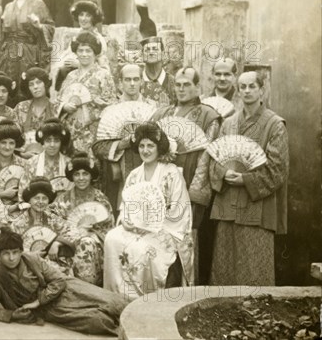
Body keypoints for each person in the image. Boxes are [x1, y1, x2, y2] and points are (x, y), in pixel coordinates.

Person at [189, 71, 289, 286]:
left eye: (252, 86)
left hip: (257, 208)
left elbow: (278, 169)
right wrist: (223, 173)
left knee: (254, 271)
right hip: (228, 207)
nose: (246, 91)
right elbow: (215, 159)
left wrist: (246, 179)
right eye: (242, 87)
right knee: (224, 269)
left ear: (262, 90)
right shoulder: (229, 123)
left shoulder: (275, 125)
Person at [0, 227, 129, 336]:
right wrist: (12, 315)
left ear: (20, 251)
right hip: (51, 309)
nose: (11, 258)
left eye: (15, 252)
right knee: (98, 321)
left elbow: (58, 280)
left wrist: (37, 301)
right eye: (6, 254)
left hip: (66, 288)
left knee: (113, 302)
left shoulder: (32, 259)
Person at [103, 123, 194, 299]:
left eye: (150, 146)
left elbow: (180, 209)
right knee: (111, 238)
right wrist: (125, 220)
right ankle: (116, 296)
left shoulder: (172, 173)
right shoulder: (134, 175)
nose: (145, 150)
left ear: (159, 148)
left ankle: (145, 298)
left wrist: (153, 225)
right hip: (136, 228)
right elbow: (126, 206)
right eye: (142, 146)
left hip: (164, 229)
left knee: (143, 249)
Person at [150, 67, 220, 283]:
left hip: (189, 183)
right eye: (178, 84)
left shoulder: (209, 116)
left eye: (187, 84)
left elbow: (208, 156)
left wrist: (194, 193)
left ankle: (185, 288)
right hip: (161, 184)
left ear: (198, 87)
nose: (181, 89)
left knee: (185, 238)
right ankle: (158, 286)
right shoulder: (162, 113)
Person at [0, 0, 55, 104]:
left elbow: (50, 27)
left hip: (29, 55)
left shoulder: (38, 4)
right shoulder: (7, 7)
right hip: (9, 56)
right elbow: (1, 35)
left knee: (27, 86)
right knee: (8, 87)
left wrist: (39, 25)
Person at [92, 64, 150, 214]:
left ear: (141, 82)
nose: (132, 83)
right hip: (116, 177)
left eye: (136, 79)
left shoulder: (153, 109)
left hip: (148, 172)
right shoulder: (109, 111)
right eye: (127, 79)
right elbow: (98, 147)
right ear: (120, 83)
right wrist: (121, 144)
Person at [53, 153, 114, 285]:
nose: (81, 178)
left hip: (94, 245)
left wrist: (89, 233)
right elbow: (56, 225)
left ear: (91, 176)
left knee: (86, 243)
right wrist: (64, 239)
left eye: (85, 174)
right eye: (76, 174)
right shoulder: (63, 199)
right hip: (66, 245)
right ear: (72, 177)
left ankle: (87, 289)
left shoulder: (100, 199)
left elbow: (108, 229)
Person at [58, 31, 116, 154]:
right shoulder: (70, 76)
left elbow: (111, 104)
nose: (84, 54)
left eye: (88, 51)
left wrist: (88, 105)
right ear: (76, 53)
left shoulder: (103, 75)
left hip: (92, 132)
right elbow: (59, 100)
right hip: (70, 131)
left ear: (95, 53)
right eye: (81, 50)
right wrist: (64, 106)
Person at [9, 177, 78, 276]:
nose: (40, 202)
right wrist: (29, 255)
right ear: (29, 200)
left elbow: (73, 232)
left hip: (54, 264)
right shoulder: (18, 223)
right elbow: (11, 249)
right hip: (28, 266)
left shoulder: (52, 218)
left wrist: (57, 242)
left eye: (44, 198)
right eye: (36, 198)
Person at [53, 0, 109, 92]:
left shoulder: (99, 39)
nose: (83, 19)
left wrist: (79, 64)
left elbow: (103, 68)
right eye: (81, 15)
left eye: (88, 15)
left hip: (91, 82)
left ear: (94, 18)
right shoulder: (76, 37)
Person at [135, 0, 175, 106]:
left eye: (155, 49)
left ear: (162, 54)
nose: (151, 52)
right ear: (142, 55)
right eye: (147, 49)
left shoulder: (174, 83)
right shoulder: (135, 81)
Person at [17, 118, 71, 201]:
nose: (52, 145)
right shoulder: (31, 163)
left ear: (61, 142)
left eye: (56, 140)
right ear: (43, 142)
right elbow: (22, 193)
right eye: (48, 140)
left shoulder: (69, 164)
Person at [12, 67, 58, 156]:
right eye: (31, 84)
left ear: (45, 84)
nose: (35, 87)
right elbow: (13, 136)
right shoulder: (21, 107)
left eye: (39, 82)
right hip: (25, 156)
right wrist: (22, 154)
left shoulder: (56, 107)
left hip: (51, 155)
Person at [0, 120, 27, 205]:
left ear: (16, 145)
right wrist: (2, 195)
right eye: (3, 142)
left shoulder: (24, 164)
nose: (7, 147)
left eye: (11, 143)